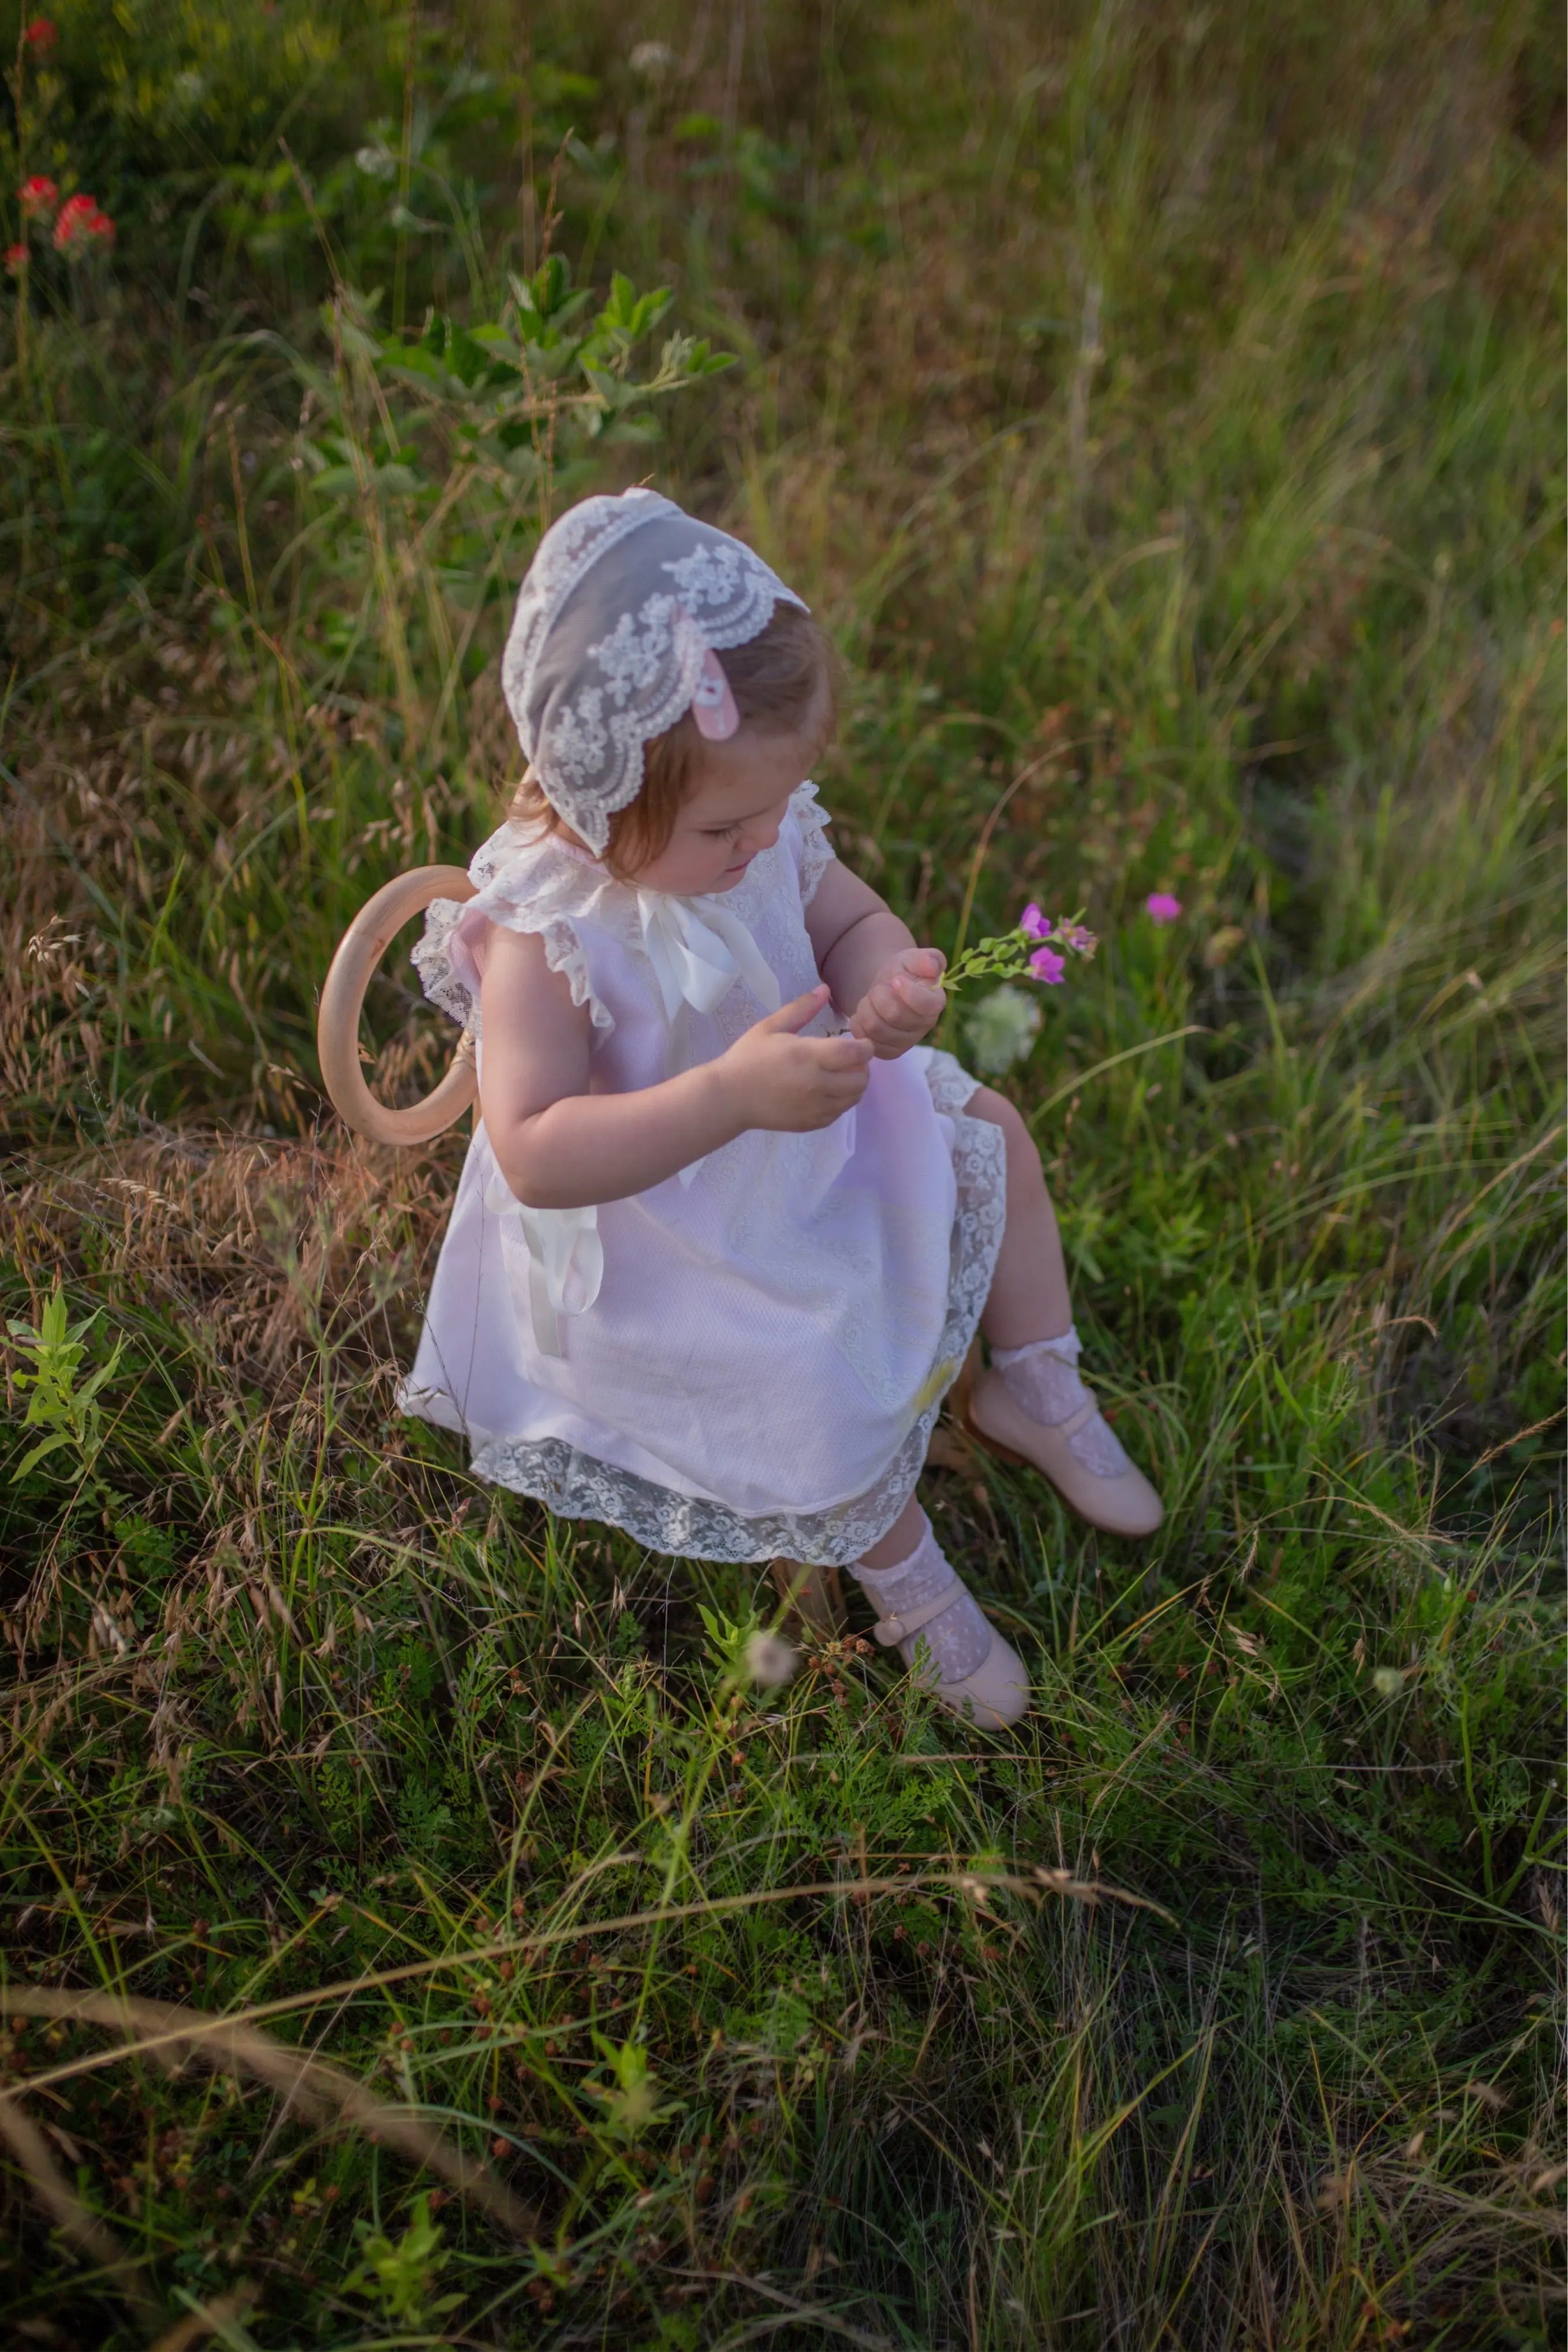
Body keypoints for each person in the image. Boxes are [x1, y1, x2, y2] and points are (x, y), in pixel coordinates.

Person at [403, 490, 1162, 1728]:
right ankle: (902, 1575)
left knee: (993, 1135)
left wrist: (886, 983)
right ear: (603, 805)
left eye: (778, 805)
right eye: (725, 826)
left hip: (805, 1124)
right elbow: (533, 1152)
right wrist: (723, 1097)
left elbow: (849, 916)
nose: (765, 842)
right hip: (667, 1225)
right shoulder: (546, 931)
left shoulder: (752, 826)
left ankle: (1031, 1383)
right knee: (808, 1367)